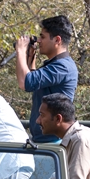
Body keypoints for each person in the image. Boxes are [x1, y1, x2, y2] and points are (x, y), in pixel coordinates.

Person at [15, 15, 78, 143]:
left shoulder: (62, 67)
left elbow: (24, 83)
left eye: (43, 37)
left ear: (57, 40)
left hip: (52, 141)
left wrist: (20, 51)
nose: (39, 41)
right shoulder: (56, 64)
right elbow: (34, 83)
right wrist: (30, 57)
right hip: (45, 139)